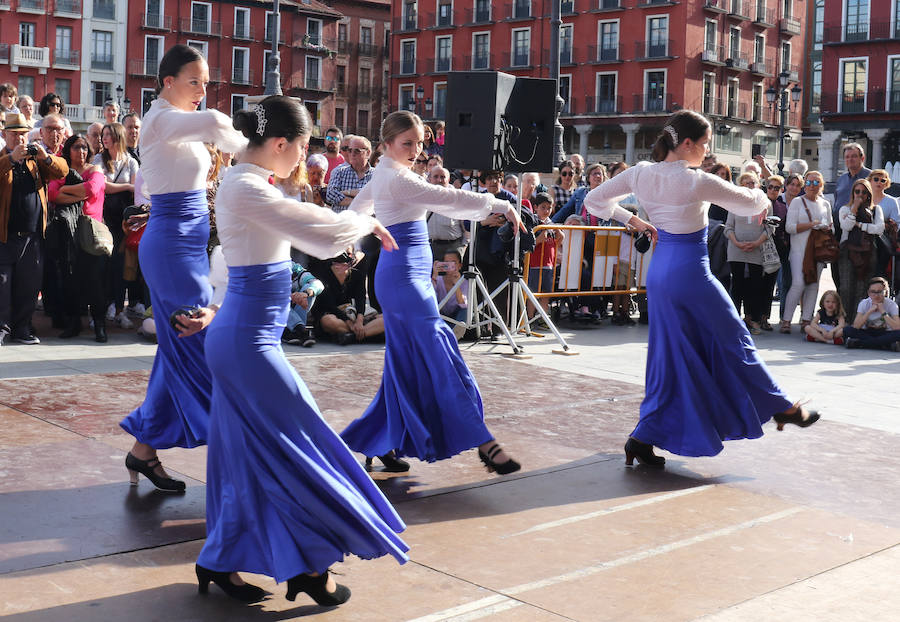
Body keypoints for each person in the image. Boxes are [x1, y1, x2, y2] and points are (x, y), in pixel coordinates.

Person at [193, 95, 408, 605]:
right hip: (247, 345)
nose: (303, 157)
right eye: (305, 147)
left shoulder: (246, 183)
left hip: (242, 340)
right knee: (305, 445)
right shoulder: (246, 186)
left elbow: (315, 224)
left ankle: (222, 557)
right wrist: (366, 216)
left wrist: (355, 220)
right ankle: (310, 565)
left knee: (244, 457)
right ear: (283, 144)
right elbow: (326, 233)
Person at [582, 109, 818, 467]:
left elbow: (594, 201)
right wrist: (767, 192)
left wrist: (634, 221)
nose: (708, 152)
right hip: (692, 273)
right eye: (705, 144)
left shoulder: (641, 173)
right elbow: (752, 202)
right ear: (687, 143)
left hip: (660, 273)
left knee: (669, 356)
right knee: (735, 340)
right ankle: (782, 406)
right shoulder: (696, 180)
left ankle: (642, 439)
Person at [341, 110, 524, 475]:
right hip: (403, 280)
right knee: (439, 352)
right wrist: (502, 204)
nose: (415, 150)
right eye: (407, 143)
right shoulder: (395, 178)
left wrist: (366, 231)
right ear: (386, 145)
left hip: (407, 276)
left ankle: (382, 441)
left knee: (404, 364)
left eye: (420, 143)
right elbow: (449, 198)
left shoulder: (386, 175)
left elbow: (357, 210)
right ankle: (484, 441)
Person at [119, 44, 249, 491]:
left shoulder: (179, 122)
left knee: (178, 349)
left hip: (187, 242)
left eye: (207, 83)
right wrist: (256, 147)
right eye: (194, 81)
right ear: (167, 81)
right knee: (202, 341)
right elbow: (215, 123)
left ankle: (143, 452)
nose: (202, 91)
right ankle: (239, 453)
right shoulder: (159, 120)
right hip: (171, 246)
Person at [0, 113, 69, 345]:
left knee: (28, 287)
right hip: (5, 236)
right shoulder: (2, 158)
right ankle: (2, 328)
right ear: (5, 135)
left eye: (22, 133)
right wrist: (10, 159)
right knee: (3, 286)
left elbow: (62, 171)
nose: (19, 139)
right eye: (14, 134)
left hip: (33, 236)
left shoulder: (34, 160)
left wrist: (46, 157)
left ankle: (22, 329)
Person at [46, 134, 108, 341]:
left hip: (89, 232)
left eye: (84, 147)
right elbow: (52, 195)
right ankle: (74, 323)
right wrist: (76, 192)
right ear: (68, 150)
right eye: (76, 147)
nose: (80, 151)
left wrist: (66, 190)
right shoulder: (61, 171)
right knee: (69, 279)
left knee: (93, 280)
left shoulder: (95, 170)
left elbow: (92, 189)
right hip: (67, 231)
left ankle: (100, 324)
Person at [93, 122, 140, 329]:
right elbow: (102, 185)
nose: (105, 138)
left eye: (109, 134)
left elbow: (135, 190)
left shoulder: (131, 161)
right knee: (104, 264)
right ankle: (102, 308)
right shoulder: (98, 159)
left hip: (123, 221)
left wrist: (126, 187)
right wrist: (127, 186)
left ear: (118, 137)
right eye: (103, 134)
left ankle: (120, 308)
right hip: (104, 218)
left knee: (120, 265)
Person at [780, 171, 833, 333]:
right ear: (805, 185)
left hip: (818, 251)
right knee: (798, 284)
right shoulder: (797, 202)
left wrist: (826, 227)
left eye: (816, 183)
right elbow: (789, 227)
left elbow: (832, 227)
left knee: (813, 286)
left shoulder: (825, 204)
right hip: (799, 251)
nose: (812, 186)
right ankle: (786, 320)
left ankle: (806, 320)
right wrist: (811, 224)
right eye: (809, 183)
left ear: (821, 185)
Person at [725, 175, 772, 334]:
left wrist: (757, 242)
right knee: (737, 285)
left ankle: (753, 319)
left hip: (757, 250)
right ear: (741, 186)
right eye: (747, 183)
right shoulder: (734, 203)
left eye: (753, 183)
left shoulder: (765, 203)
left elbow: (769, 228)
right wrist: (737, 243)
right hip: (736, 250)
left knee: (755, 286)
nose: (751, 185)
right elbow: (728, 228)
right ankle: (734, 320)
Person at [837, 179, 884, 321]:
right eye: (857, 191)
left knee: (862, 288)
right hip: (848, 251)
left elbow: (879, 228)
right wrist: (854, 208)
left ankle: (858, 322)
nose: (860, 195)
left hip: (868, 252)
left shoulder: (876, 210)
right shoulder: (845, 209)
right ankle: (844, 322)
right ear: (852, 193)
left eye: (864, 192)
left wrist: (860, 225)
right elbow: (846, 226)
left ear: (869, 194)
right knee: (846, 288)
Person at [527, 192, 562, 324]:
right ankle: (530, 318)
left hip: (548, 264)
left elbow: (559, 240)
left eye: (549, 207)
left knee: (546, 294)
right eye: (543, 207)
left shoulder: (550, 223)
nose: (546, 210)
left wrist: (558, 233)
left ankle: (543, 319)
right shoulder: (534, 222)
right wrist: (541, 237)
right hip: (535, 264)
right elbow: (532, 243)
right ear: (536, 207)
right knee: (533, 294)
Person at [844, 277, 900, 350]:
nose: (876, 295)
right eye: (873, 292)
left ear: (885, 292)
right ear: (868, 293)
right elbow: (856, 326)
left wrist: (883, 311)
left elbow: (897, 327)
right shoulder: (864, 303)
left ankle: (859, 343)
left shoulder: (892, 304)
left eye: (879, 292)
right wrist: (869, 311)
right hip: (867, 332)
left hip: (885, 332)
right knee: (847, 330)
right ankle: (885, 345)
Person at [426, 166, 466, 259]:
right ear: (429, 179)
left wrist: (463, 247)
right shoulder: (423, 197)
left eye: (442, 177)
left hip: (452, 248)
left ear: (448, 179)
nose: (439, 180)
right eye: (435, 176)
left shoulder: (456, 198)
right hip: (429, 247)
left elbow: (465, 227)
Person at [327, 135, 372, 211]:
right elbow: (330, 195)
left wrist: (346, 192)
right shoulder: (339, 172)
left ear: (368, 153)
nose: (352, 154)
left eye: (357, 151)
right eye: (350, 150)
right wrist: (360, 202)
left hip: (366, 222)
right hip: (342, 221)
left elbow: (376, 197)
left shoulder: (376, 175)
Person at [432, 249, 468, 330]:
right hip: (441, 315)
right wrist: (434, 275)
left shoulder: (465, 282)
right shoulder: (438, 280)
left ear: (460, 265)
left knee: (465, 309)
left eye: (453, 262)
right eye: (447, 262)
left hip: (457, 316)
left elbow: (462, 303)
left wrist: (456, 284)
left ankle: (458, 330)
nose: (450, 265)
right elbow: (431, 298)